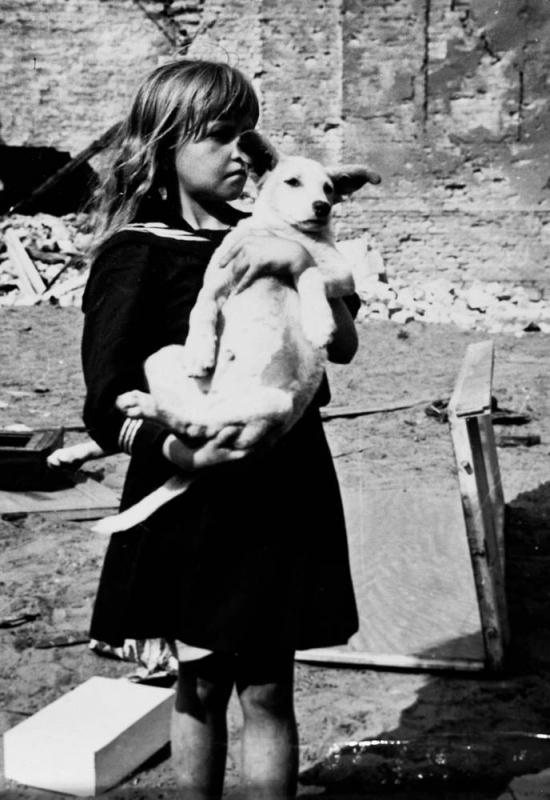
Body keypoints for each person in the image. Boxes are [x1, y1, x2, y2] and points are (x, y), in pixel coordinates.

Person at [81, 59, 359, 800]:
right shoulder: (138, 254)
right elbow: (106, 401)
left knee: (268, 691)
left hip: (282, 487)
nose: (245, 152)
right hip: (195, 503)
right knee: (200, 689)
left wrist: (309, 264)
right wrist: (175, 447)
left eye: (249, 135)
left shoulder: (270, 239)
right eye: (221, 136)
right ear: (165, 146)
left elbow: (330, 350)